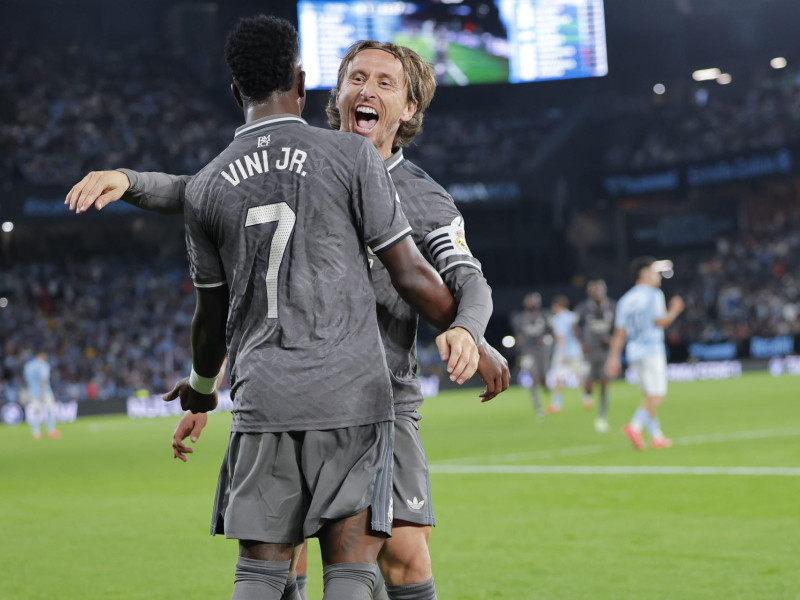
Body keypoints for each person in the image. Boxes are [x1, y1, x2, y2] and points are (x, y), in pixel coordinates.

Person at [67, 37, 507, 600]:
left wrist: (472, 329)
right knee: (293, 561)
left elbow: (466, 278)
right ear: (332, 92)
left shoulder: (426, 199)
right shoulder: (308, 164)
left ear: (409, 109)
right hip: (297, 388)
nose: (365, 90)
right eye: (355, 78)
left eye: (384, 83)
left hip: (384, 397)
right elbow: (205, 194)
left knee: (404, 553)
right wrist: (130, 180)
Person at [605, 257, 684, 450]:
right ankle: (634, 426)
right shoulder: (653, 294)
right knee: (657, 396)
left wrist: (614, 358)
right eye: (656, 273)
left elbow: (619, 332)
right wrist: (675, 311)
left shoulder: (625, 299)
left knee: (648, 397)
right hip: (652, 351)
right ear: (645, 274)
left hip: (634, 352)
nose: (659, 278)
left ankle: (657, 436)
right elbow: (660, 322)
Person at [574, 279, 616, 432]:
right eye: (594, 290)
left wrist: (612, 339)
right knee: (589, 386)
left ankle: (602, 417)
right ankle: (586, 395)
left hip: (605, 351)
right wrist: (581, 343)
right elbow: (574, 327)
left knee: (605, 383)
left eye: (600, 289)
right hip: (589, 351)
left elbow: (619, 327)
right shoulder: (583, 308)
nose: (597, 292)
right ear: (589, 292)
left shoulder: (612, 306)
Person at [510, 292, 551, 417]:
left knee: (543, 375)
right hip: (528, 351)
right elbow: (518, 335)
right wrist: (519, 347)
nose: (532, 303)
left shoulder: (544, 315)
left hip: (542, 349)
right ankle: (538, 407)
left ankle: (546, 387)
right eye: (530, 301)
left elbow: (551, 332)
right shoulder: (520, 318)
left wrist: (546, 339)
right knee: (533, 377)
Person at [548, 296, 584, 414]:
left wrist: (562, 352)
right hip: (576, 350)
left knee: (558, 378)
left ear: (557, 306)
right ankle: (587, 399)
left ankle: (556, 404)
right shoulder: (573, 316)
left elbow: (561, 336)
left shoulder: (558, 318)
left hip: (563, 351)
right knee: (580, 376)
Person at [22, 352, 60, 440]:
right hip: (45, 392)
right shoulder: (44, 365)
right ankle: (51, 431)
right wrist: (42, 392)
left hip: (33, 392)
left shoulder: (28, 366)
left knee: (35, 412)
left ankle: (36, 433)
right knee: (49, 410)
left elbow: (25, 379)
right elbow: (44, 379)